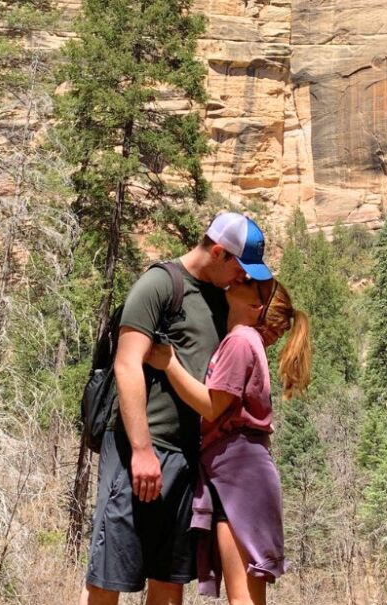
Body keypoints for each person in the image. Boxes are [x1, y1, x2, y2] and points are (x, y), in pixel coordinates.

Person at [80, 212, 273, 605]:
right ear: (219, 252)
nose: (243, 278)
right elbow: (127, 363)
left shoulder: (222, 299)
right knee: (109, 574)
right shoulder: (160, 284)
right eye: (240, 267)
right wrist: (142, 450)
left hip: (187, 460)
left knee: (169, 581)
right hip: (138, 451)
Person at [147, 278, 311, 605]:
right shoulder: (243, 341)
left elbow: (212, 405)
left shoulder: (240, 341)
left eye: (251, 284)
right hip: (238, 474)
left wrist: (168, 363)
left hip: (239, 475)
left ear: (257, 307)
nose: (239, 280)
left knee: (243, 600)